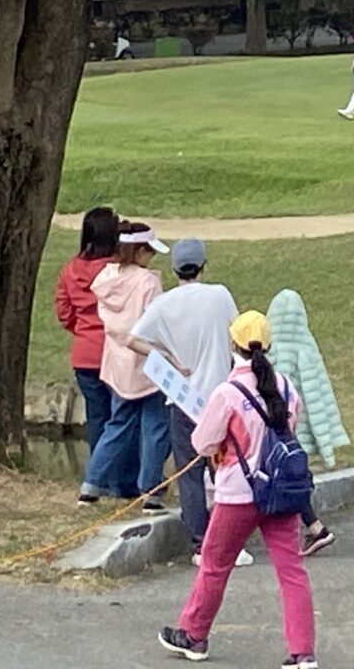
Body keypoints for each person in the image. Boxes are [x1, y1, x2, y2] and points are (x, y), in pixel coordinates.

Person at [157, 311, 317, 669]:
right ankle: (303, 650)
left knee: (215, 565)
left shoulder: (228, 393)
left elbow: (202, 442)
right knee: (292, 570)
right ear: (268, 346)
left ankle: (194, 635)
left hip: (237, 494)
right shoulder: (287, 387)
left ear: (234, 345)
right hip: (281, 491)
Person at [130, 238, 238, 558]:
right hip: (220, 397)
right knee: (224, 471)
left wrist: (169, 361)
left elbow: (133, 339)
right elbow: (236, 334)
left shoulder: (164, 304)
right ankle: (228, 539)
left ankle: (200, 543)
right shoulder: (219, 295)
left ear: (176, 269)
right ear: (204, 266)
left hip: (184, 399)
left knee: (189, 474)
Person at [84, 223, 171, 505]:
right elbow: (156, 322)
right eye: (149, 252)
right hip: (147, 362)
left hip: (118, 364)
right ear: (140, 251)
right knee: (155, 428)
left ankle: (92, 484)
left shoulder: (105, 277)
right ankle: (150, 490)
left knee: (117, 424)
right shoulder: (147, 282)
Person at [265, 287, 348, 556]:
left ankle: (314, 526)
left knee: (281, 478)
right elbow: (318, 391)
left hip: (278, 428)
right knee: (297, 475)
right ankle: (312, 526)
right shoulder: (307, 346)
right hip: (300, 425)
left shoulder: (270, 350)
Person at [53, 205, 122, 461]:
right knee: (121, 419)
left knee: (97, 418)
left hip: (85, 354)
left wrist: (82, 330)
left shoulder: (70, 270)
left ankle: (97, 473)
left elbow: (64, 311)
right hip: (115, 353)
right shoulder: (118, 271)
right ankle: (117, 475)